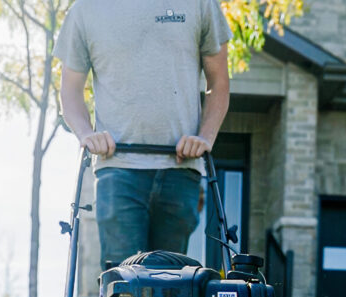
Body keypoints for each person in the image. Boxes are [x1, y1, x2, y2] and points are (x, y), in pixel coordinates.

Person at [53, 0, 231, 267]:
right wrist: (86, 133)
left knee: (174, 283)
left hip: (180, 169)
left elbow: (219, 82)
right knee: (122, 279)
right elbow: (69, 90)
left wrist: (205, 138)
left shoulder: (200, 4)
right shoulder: (85, 10)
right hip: (118, 170)